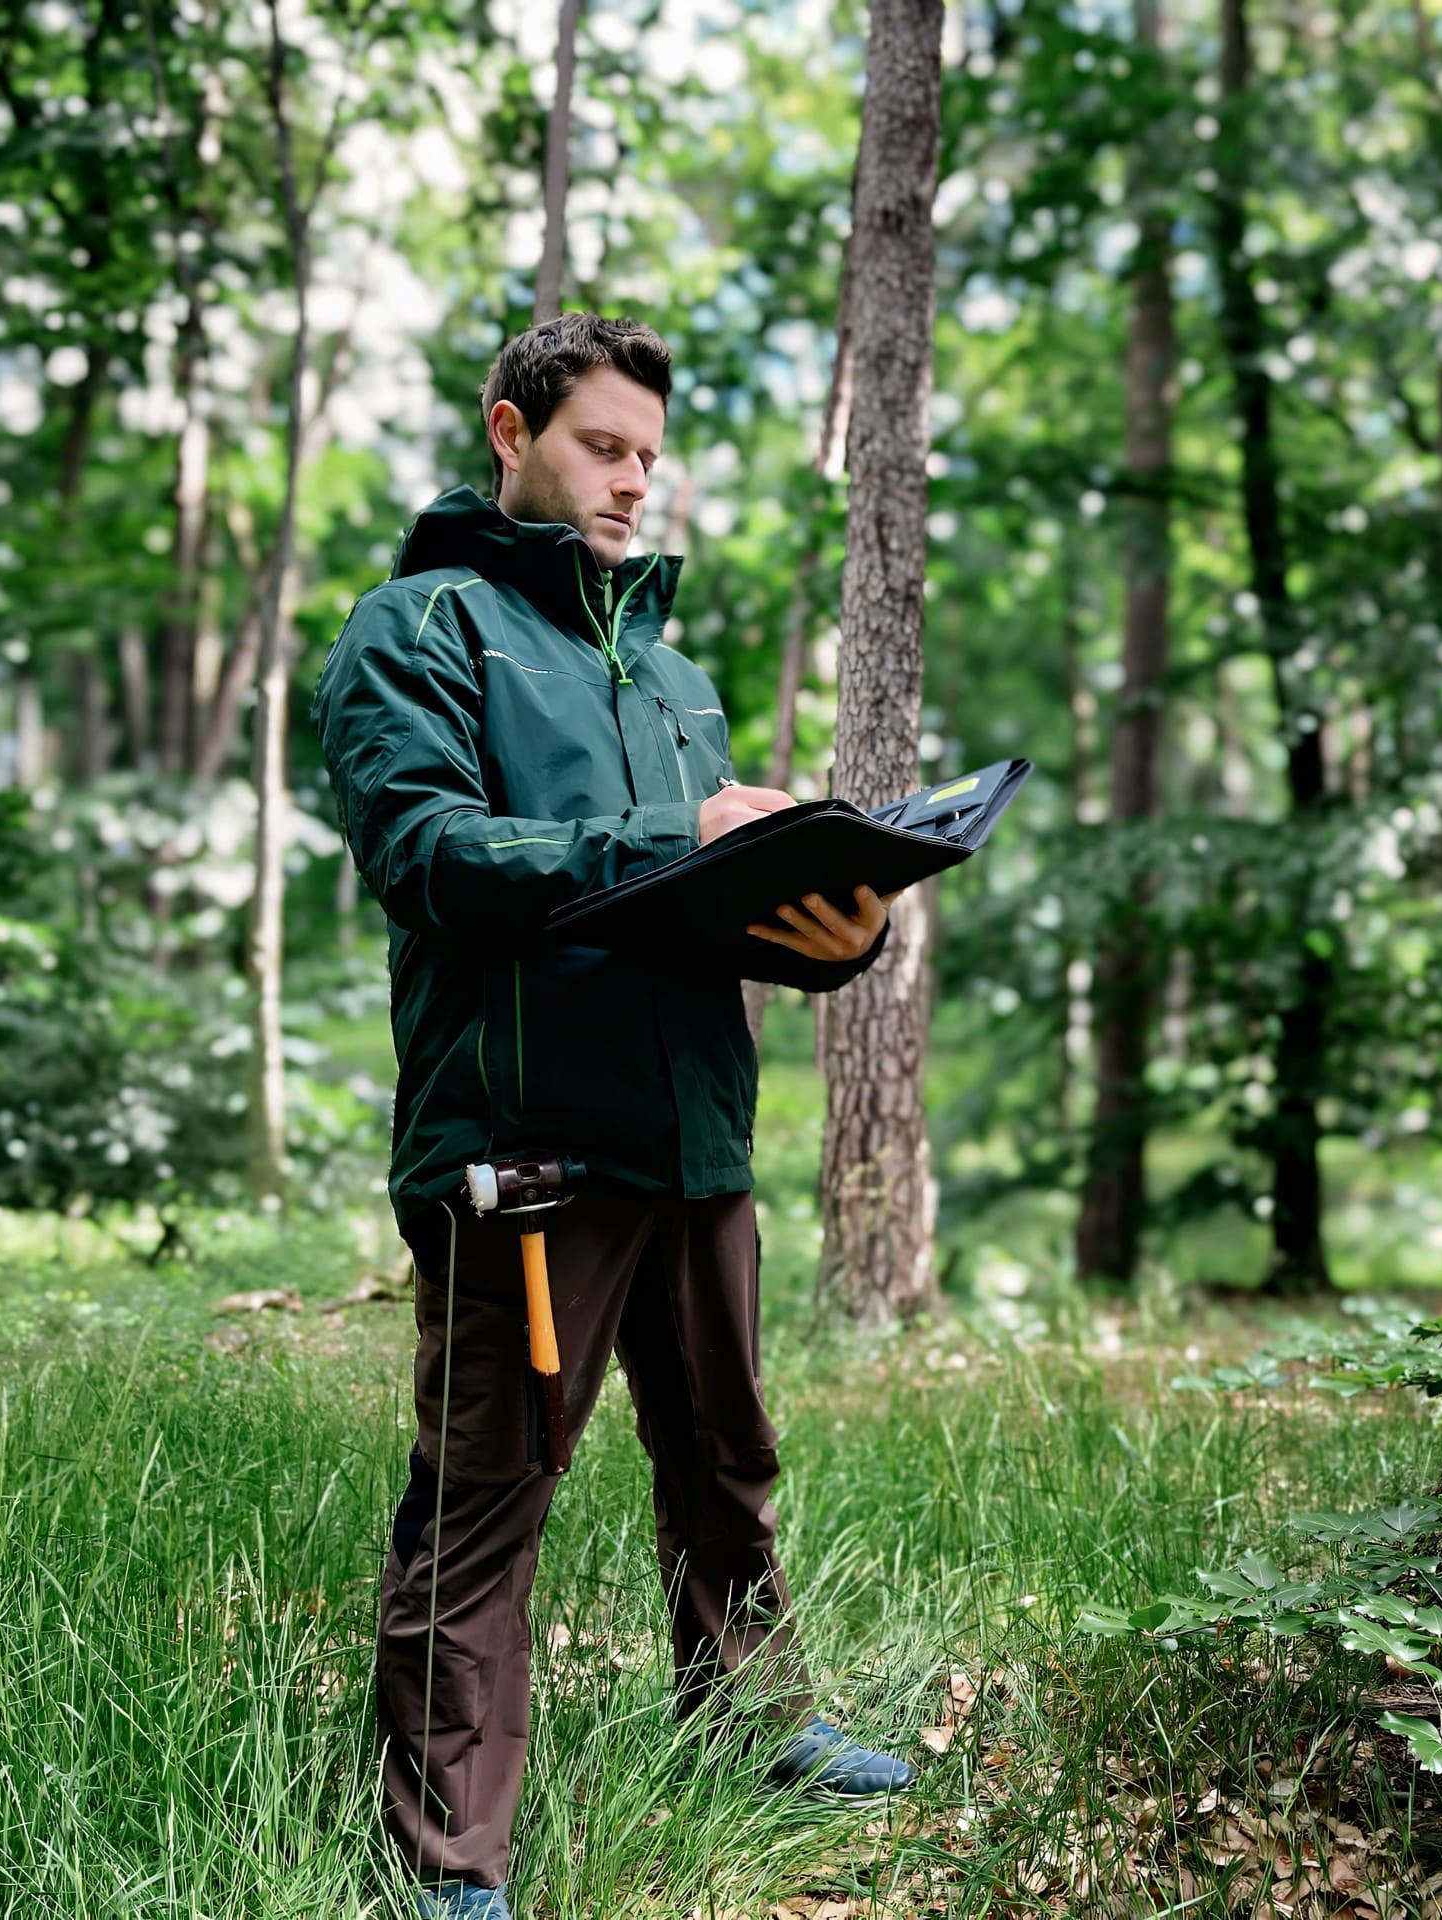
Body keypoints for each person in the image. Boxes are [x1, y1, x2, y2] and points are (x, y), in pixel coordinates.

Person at [311, 313, 915, 1920]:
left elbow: (691, 894)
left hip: (695, 1139)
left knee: (725, 1456)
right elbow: (430, 858)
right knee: (487, 1492)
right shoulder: (418, 628)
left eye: (650, 454)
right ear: (510, 432)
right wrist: (672, 837)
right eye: (602, 445)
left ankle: (755, 1722)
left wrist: (827, 917)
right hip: (523, 1146)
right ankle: (451, 1863)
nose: (634, 481)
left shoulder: (678, 675)